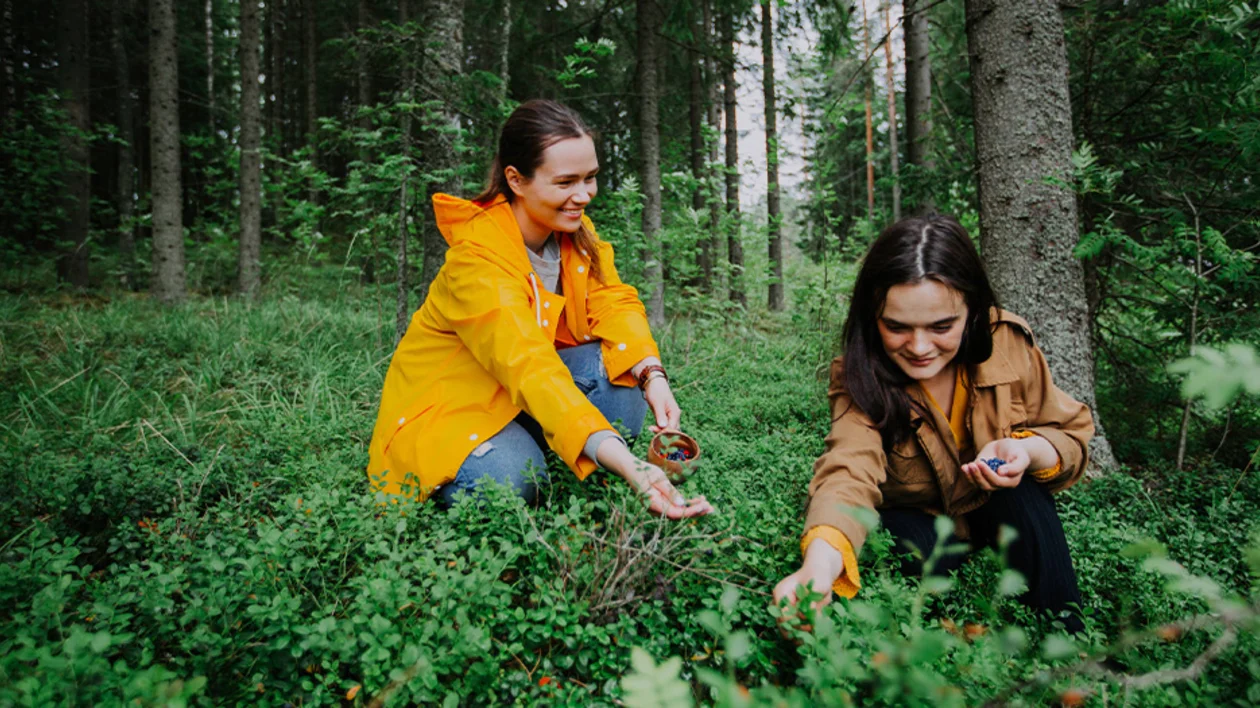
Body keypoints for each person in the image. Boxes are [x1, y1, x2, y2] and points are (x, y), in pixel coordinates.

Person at [366, 99, 713, 520]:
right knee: (518, 479)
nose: (583, 195)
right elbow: (528, 363)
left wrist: (652, 374)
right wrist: (628, 464)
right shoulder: (477, 259)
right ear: (516, 179)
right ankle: (478, 467)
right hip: (451, 409)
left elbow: (613, 300)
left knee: (622, 377)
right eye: (565, 182)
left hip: (516, 395)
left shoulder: (571, 231)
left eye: (590, 178)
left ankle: (564, 444)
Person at [773, 215, 1092, 632]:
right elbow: (847, 471)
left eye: (942, 326)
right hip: (919, 526)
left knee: (1026, 495)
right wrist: (817, 566)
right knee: (884, 540)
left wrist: (1026, 451)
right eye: (897, 327)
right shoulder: (859, 374)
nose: (920, 347)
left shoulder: (1008, 342)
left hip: (998, 510)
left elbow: (1070, 433)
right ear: (873, 316)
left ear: (973, 310)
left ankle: (1068, 643)